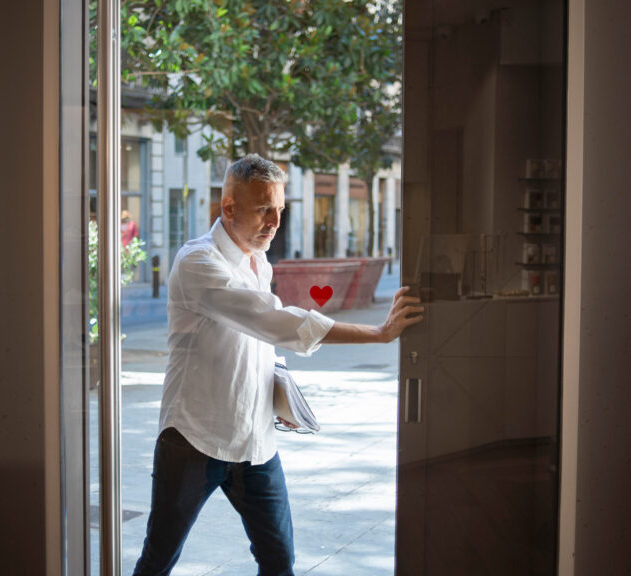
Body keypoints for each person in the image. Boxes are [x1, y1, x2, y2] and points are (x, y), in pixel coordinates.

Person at [132, 154, 424, 576]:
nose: (275, 221)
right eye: (263, 209)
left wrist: (274, 392)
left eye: (280, 209)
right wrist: (378, 334)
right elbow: (274, 322)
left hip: (254, 441)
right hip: (195, 439)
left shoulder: (257, 260)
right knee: (158, 561)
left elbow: (254, 343)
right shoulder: (197, 262)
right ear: (228, 208)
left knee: (278, 561)